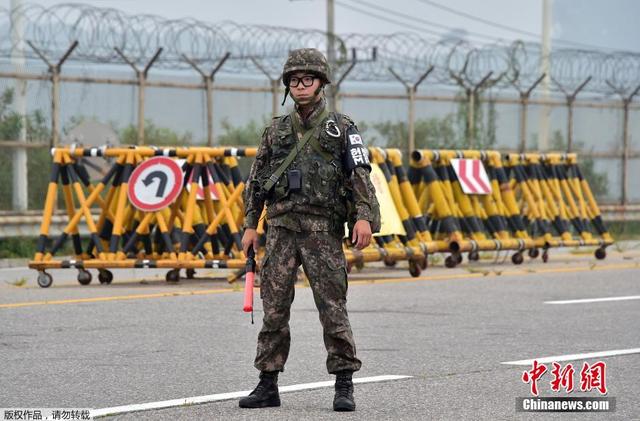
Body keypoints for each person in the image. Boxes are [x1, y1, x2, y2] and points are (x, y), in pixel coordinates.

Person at [239, 48, 380, 412]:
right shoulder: (276, 130)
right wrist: (250, 225)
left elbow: (358, 175)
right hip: (282, 230)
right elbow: (256, 181)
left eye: (308, 79)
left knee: (332, 308)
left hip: (322, 232)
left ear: (321, 83)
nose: (301, 86)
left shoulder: (341, 127)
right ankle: (267, 383)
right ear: (288, 85)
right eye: (295, 80)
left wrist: (363, 216)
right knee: (274, 310)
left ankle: (344, 383)